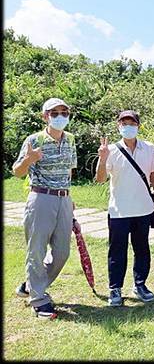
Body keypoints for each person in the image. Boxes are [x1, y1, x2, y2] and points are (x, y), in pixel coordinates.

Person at [13, 98, 78, 319]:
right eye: (54, 113)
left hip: (64, 200)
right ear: (45, 116)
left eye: (64, 112)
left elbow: (69, 170)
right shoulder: (34, 140)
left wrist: (69, 197)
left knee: (62, 252)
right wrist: (29, 160)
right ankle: (39, 299)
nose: (60, 116)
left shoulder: (70, 139)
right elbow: (17, 172)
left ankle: (31, 285)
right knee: (37, 250)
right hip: (41, 198)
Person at [95, 110, 154, 307]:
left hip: (143, 209)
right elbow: (100, 179)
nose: (128, 127)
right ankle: (115, 288)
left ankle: (140, 284)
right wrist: (102, 158)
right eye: (124, 123)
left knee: (142, 249)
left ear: (138, 126)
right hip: (119, 211)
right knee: (117, 251)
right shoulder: (112, 150)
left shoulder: (149, 148)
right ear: (118, 126)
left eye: (132, 123)